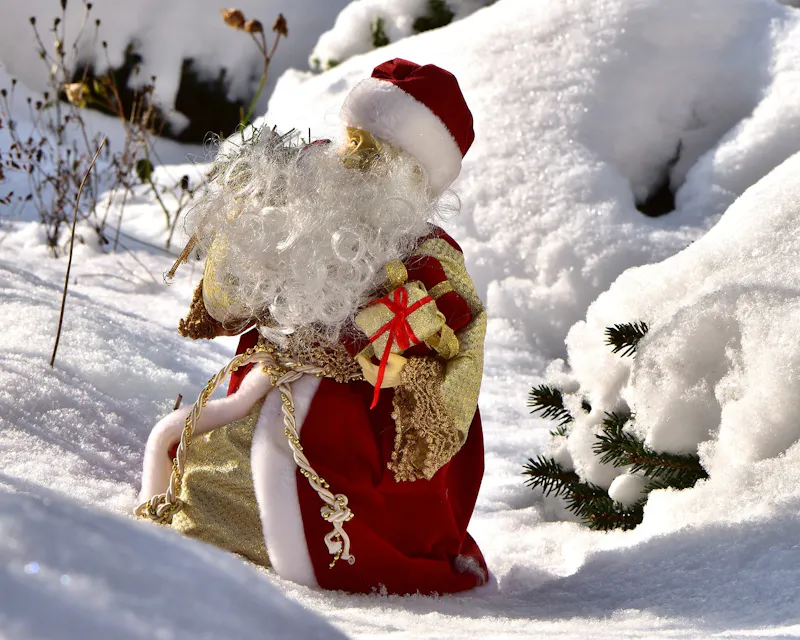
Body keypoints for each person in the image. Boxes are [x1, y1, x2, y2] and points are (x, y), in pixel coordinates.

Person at [138, 59, 488, 595]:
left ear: (416, 178)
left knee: (335, 494)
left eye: (382, 153)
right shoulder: (295, 207)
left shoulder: (429, 258)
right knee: (214, 471)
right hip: (263, 383)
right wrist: (241, 227)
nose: (355, 159)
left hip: (361, 422)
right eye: (354, 139)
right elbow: (226, 299)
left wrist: (419, 391)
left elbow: (459, 354)